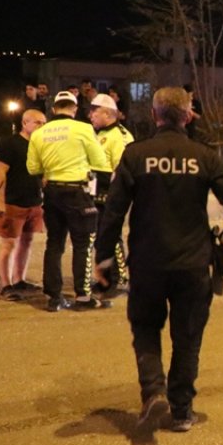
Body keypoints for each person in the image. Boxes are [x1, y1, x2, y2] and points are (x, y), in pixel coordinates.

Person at [94, 86, 223, 433]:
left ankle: (153, 392)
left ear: (154, 115)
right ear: (188, 115)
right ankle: (181, 411)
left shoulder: (136, 155)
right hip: (193, 266)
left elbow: (113, 213)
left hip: (147, 264)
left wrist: (104, 260)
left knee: (146, 330)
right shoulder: (204, 156)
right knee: (187, 337)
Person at [26, 91, 111, 311]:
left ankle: (54, 298)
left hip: (52, 193)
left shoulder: (39, 133)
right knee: (83, 245)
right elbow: (100, 162)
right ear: (74, 109)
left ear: (54, 109)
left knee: (54, 244)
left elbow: (33, 168)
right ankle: (83, 297)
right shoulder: (83, 129)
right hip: (77, 192)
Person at [0, 110, 47, 299]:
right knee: (9, 243)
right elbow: (0, 172)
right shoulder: (11, 144)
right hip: (13, 202)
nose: (42, 127)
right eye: (38, 123)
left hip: (34, 202)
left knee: (27, 242)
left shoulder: (40, 145)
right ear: (25, 123)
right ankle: (6, 285)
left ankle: (19, 279)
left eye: (44, 123)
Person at [90, 93, 134, 294]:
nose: (90, 115)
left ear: (107, 113)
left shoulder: (120, 135)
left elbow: (121, 169)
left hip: (110, 193)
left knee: (112, 236)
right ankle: (106, 278)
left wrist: (114, 195)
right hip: (97, 191)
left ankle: (119, 278)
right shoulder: (99, 133)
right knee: (102, 237)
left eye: (94, 111)